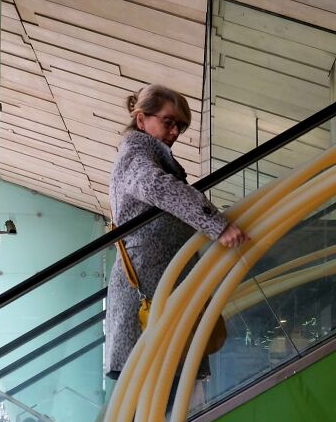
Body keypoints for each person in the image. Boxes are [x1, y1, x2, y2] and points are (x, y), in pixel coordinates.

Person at [105, 84, 248, 380]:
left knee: (166, 392)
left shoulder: (149, 157)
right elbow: (158, 187)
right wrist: (216, 225)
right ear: (141, 119)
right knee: (160, 395)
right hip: (150, 290)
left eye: (180, 127)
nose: (174, 133)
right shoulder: (136, 156)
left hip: (160, 289)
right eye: (168, 122)